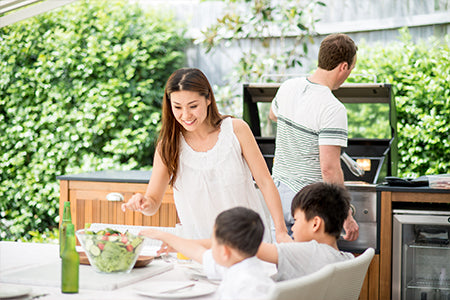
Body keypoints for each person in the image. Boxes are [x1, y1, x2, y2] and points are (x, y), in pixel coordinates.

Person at [122, 68, 290, 243]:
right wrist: (143, 203)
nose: (186, 115)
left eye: (193, 106)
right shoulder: (168, 145)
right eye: (177, 107)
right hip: (199, 249)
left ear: (208, 98)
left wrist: (281, 230)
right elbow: (153, 202)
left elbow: (265, 182)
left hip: (249, 243)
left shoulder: (236, 130)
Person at [269, 33, 359, 241]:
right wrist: (345, 215)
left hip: (277, 196)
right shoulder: (332, 108)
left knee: (281, 265)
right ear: (343, 67)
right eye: (351, 69)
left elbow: (273, 115)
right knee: (308, 270)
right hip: (308, 205)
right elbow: (330, 169)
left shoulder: (288, 87)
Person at [140, 207, 275, 300]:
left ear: (224, 252)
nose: (210, 246)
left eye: (213, 242)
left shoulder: (250, 286)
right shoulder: (238, 264)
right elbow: (198, 252)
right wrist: (163, 236)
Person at [257, 182, 355, 281]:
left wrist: (282, 235)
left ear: (315, 224)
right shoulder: (348, 259)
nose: (292, 228)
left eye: (296, 220)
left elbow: (252, 249)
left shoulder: (309, 252)